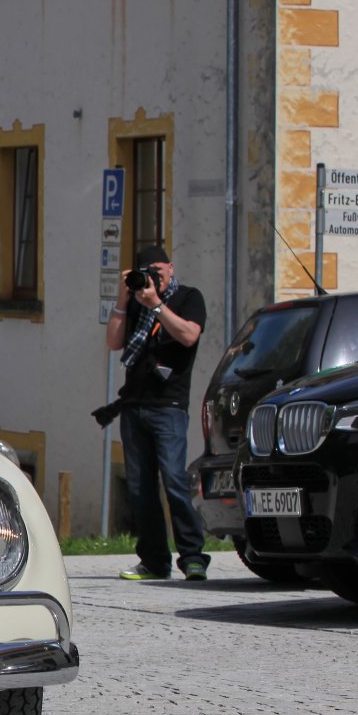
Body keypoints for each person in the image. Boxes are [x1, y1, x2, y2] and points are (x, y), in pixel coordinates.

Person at [104, 244, 209, 581]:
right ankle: (153, 560)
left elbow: (189, 336)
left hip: (169, 406)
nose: (153, 279)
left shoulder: (188, 298)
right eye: (146, 273)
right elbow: (113, 342)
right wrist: (123, 300)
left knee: (175, 481)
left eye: (158, 272)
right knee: (139, 488)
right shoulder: (136, 301)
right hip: (134, 405)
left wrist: (157, 306)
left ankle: (192, 557)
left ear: (171, 268)